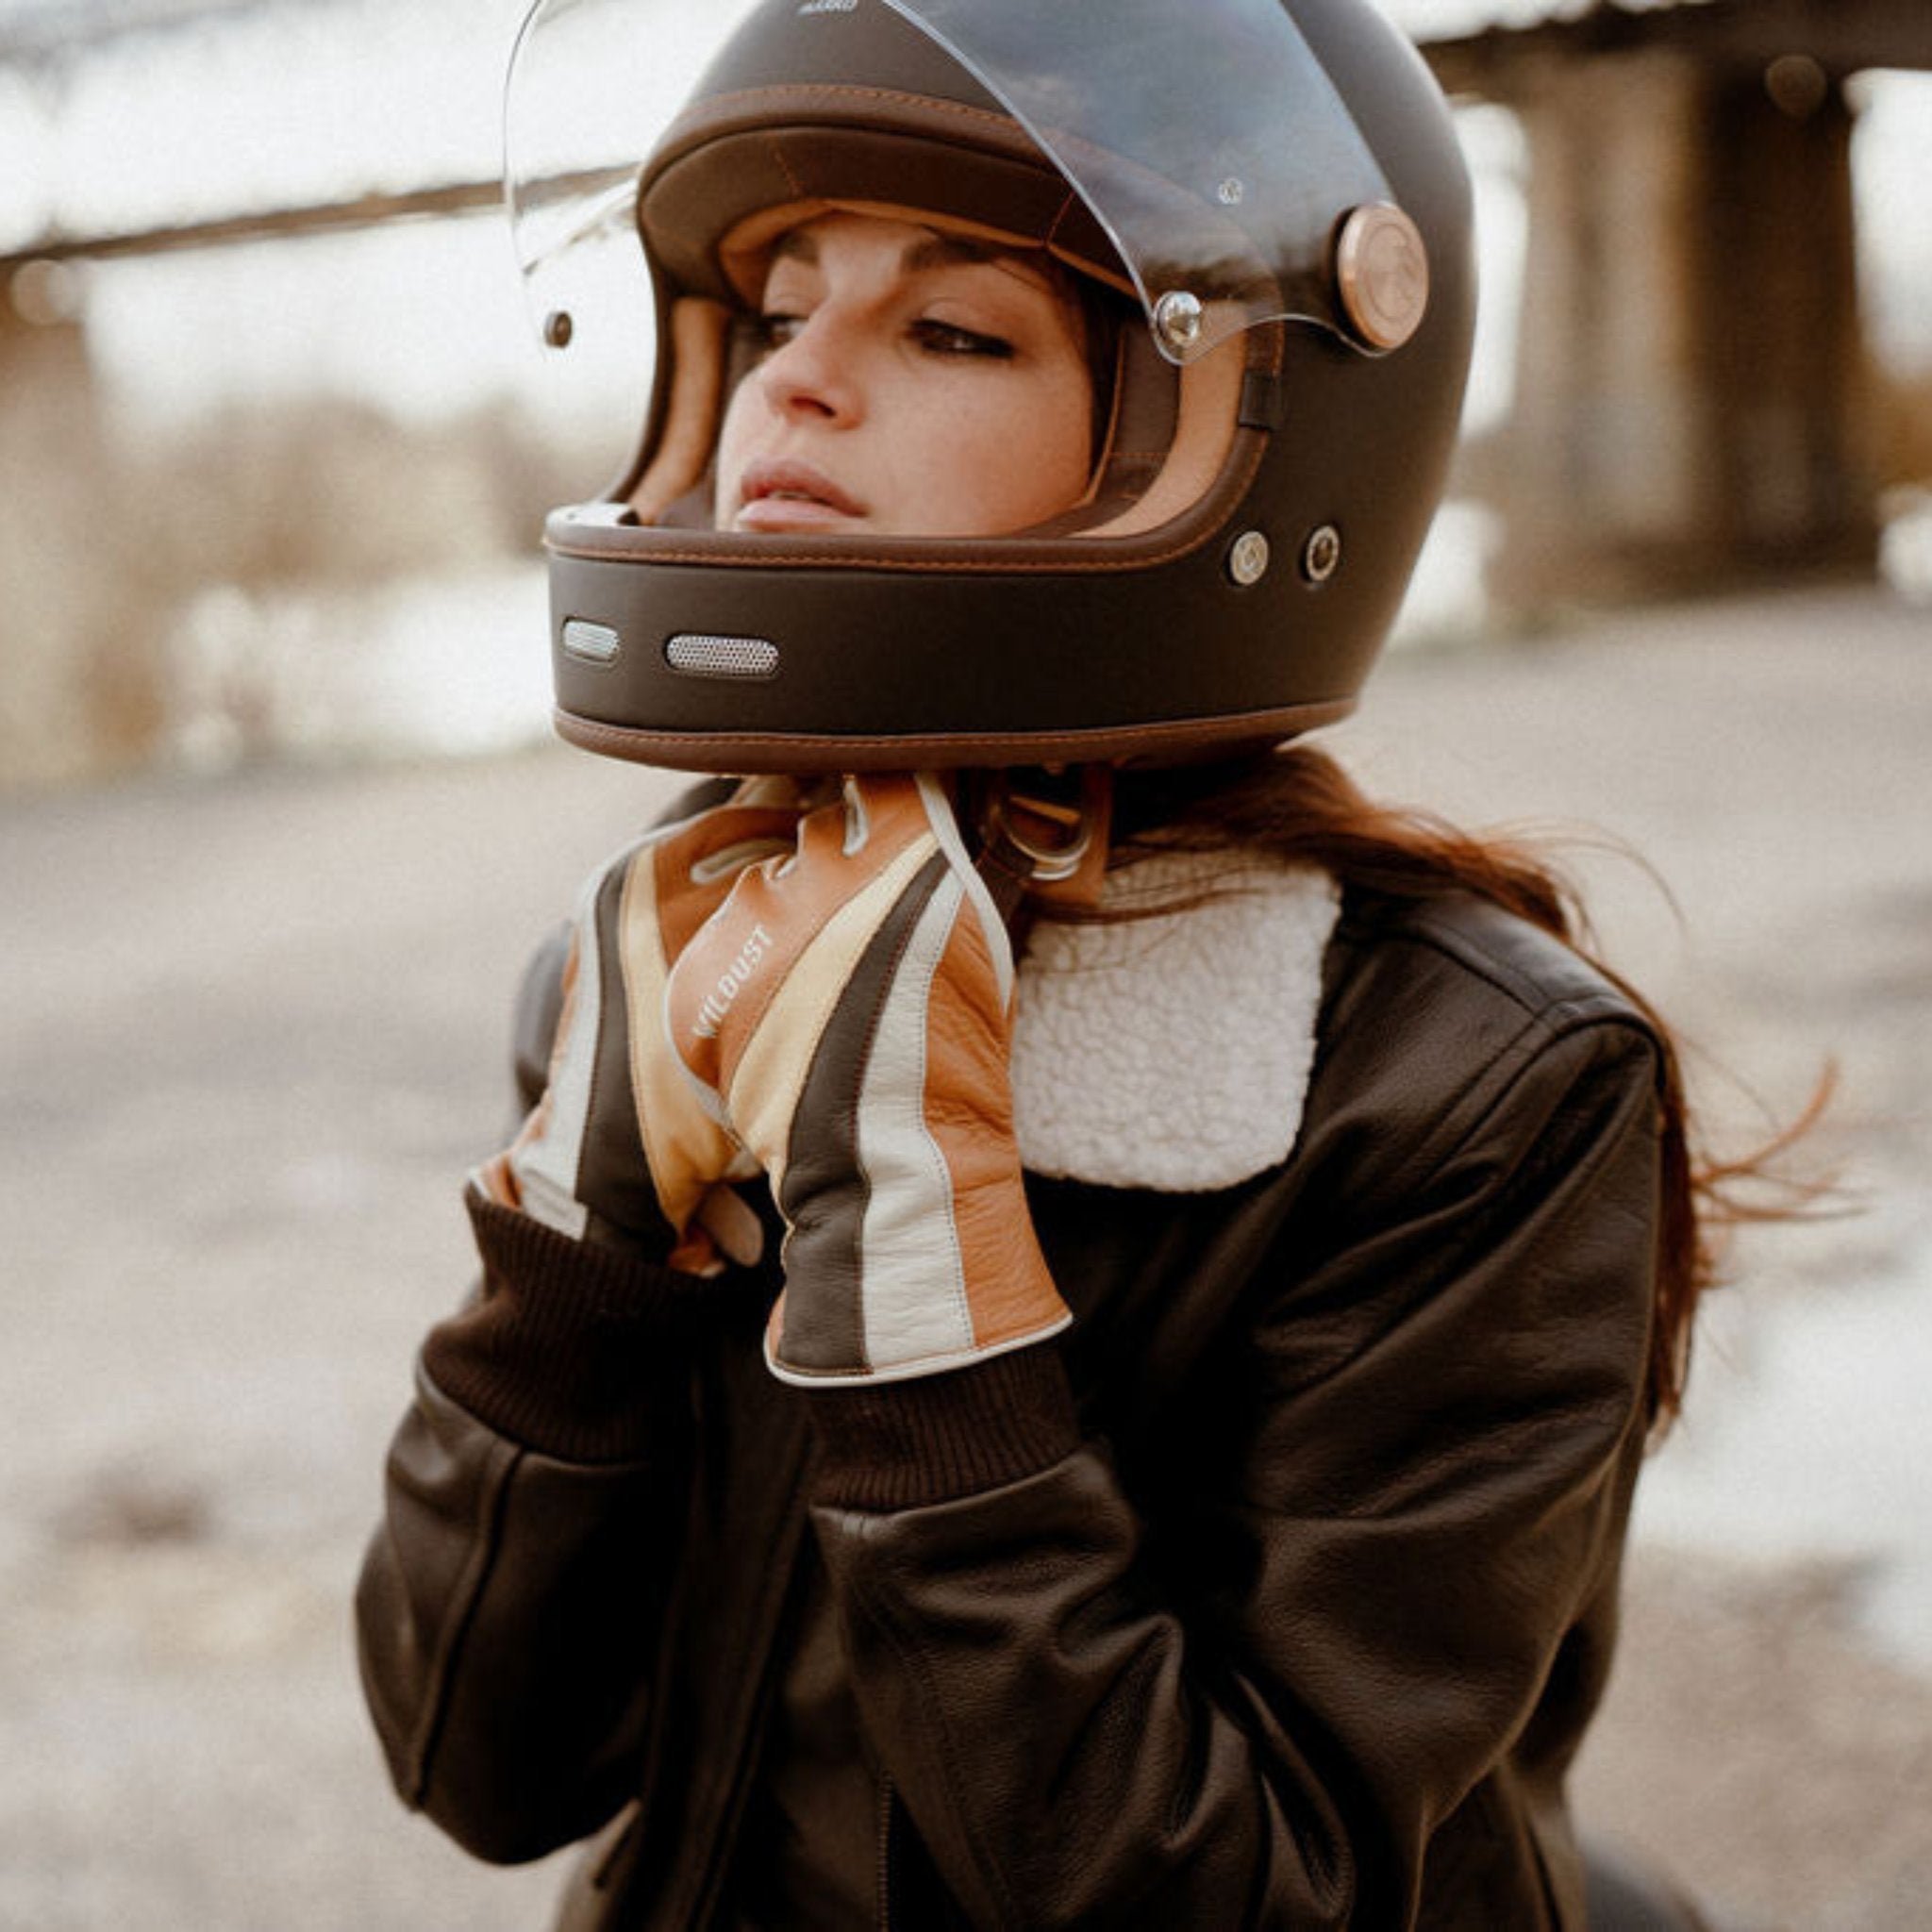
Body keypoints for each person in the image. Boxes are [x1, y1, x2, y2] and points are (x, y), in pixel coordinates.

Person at [356, 1, 1764, 1924]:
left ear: (1227, 438)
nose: (798, 387)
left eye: (949, 327)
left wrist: (935, 1328)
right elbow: (483, 1763)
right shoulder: (661, 980)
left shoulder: (1471, 1089)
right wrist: (570, 1263)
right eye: (774, 313)